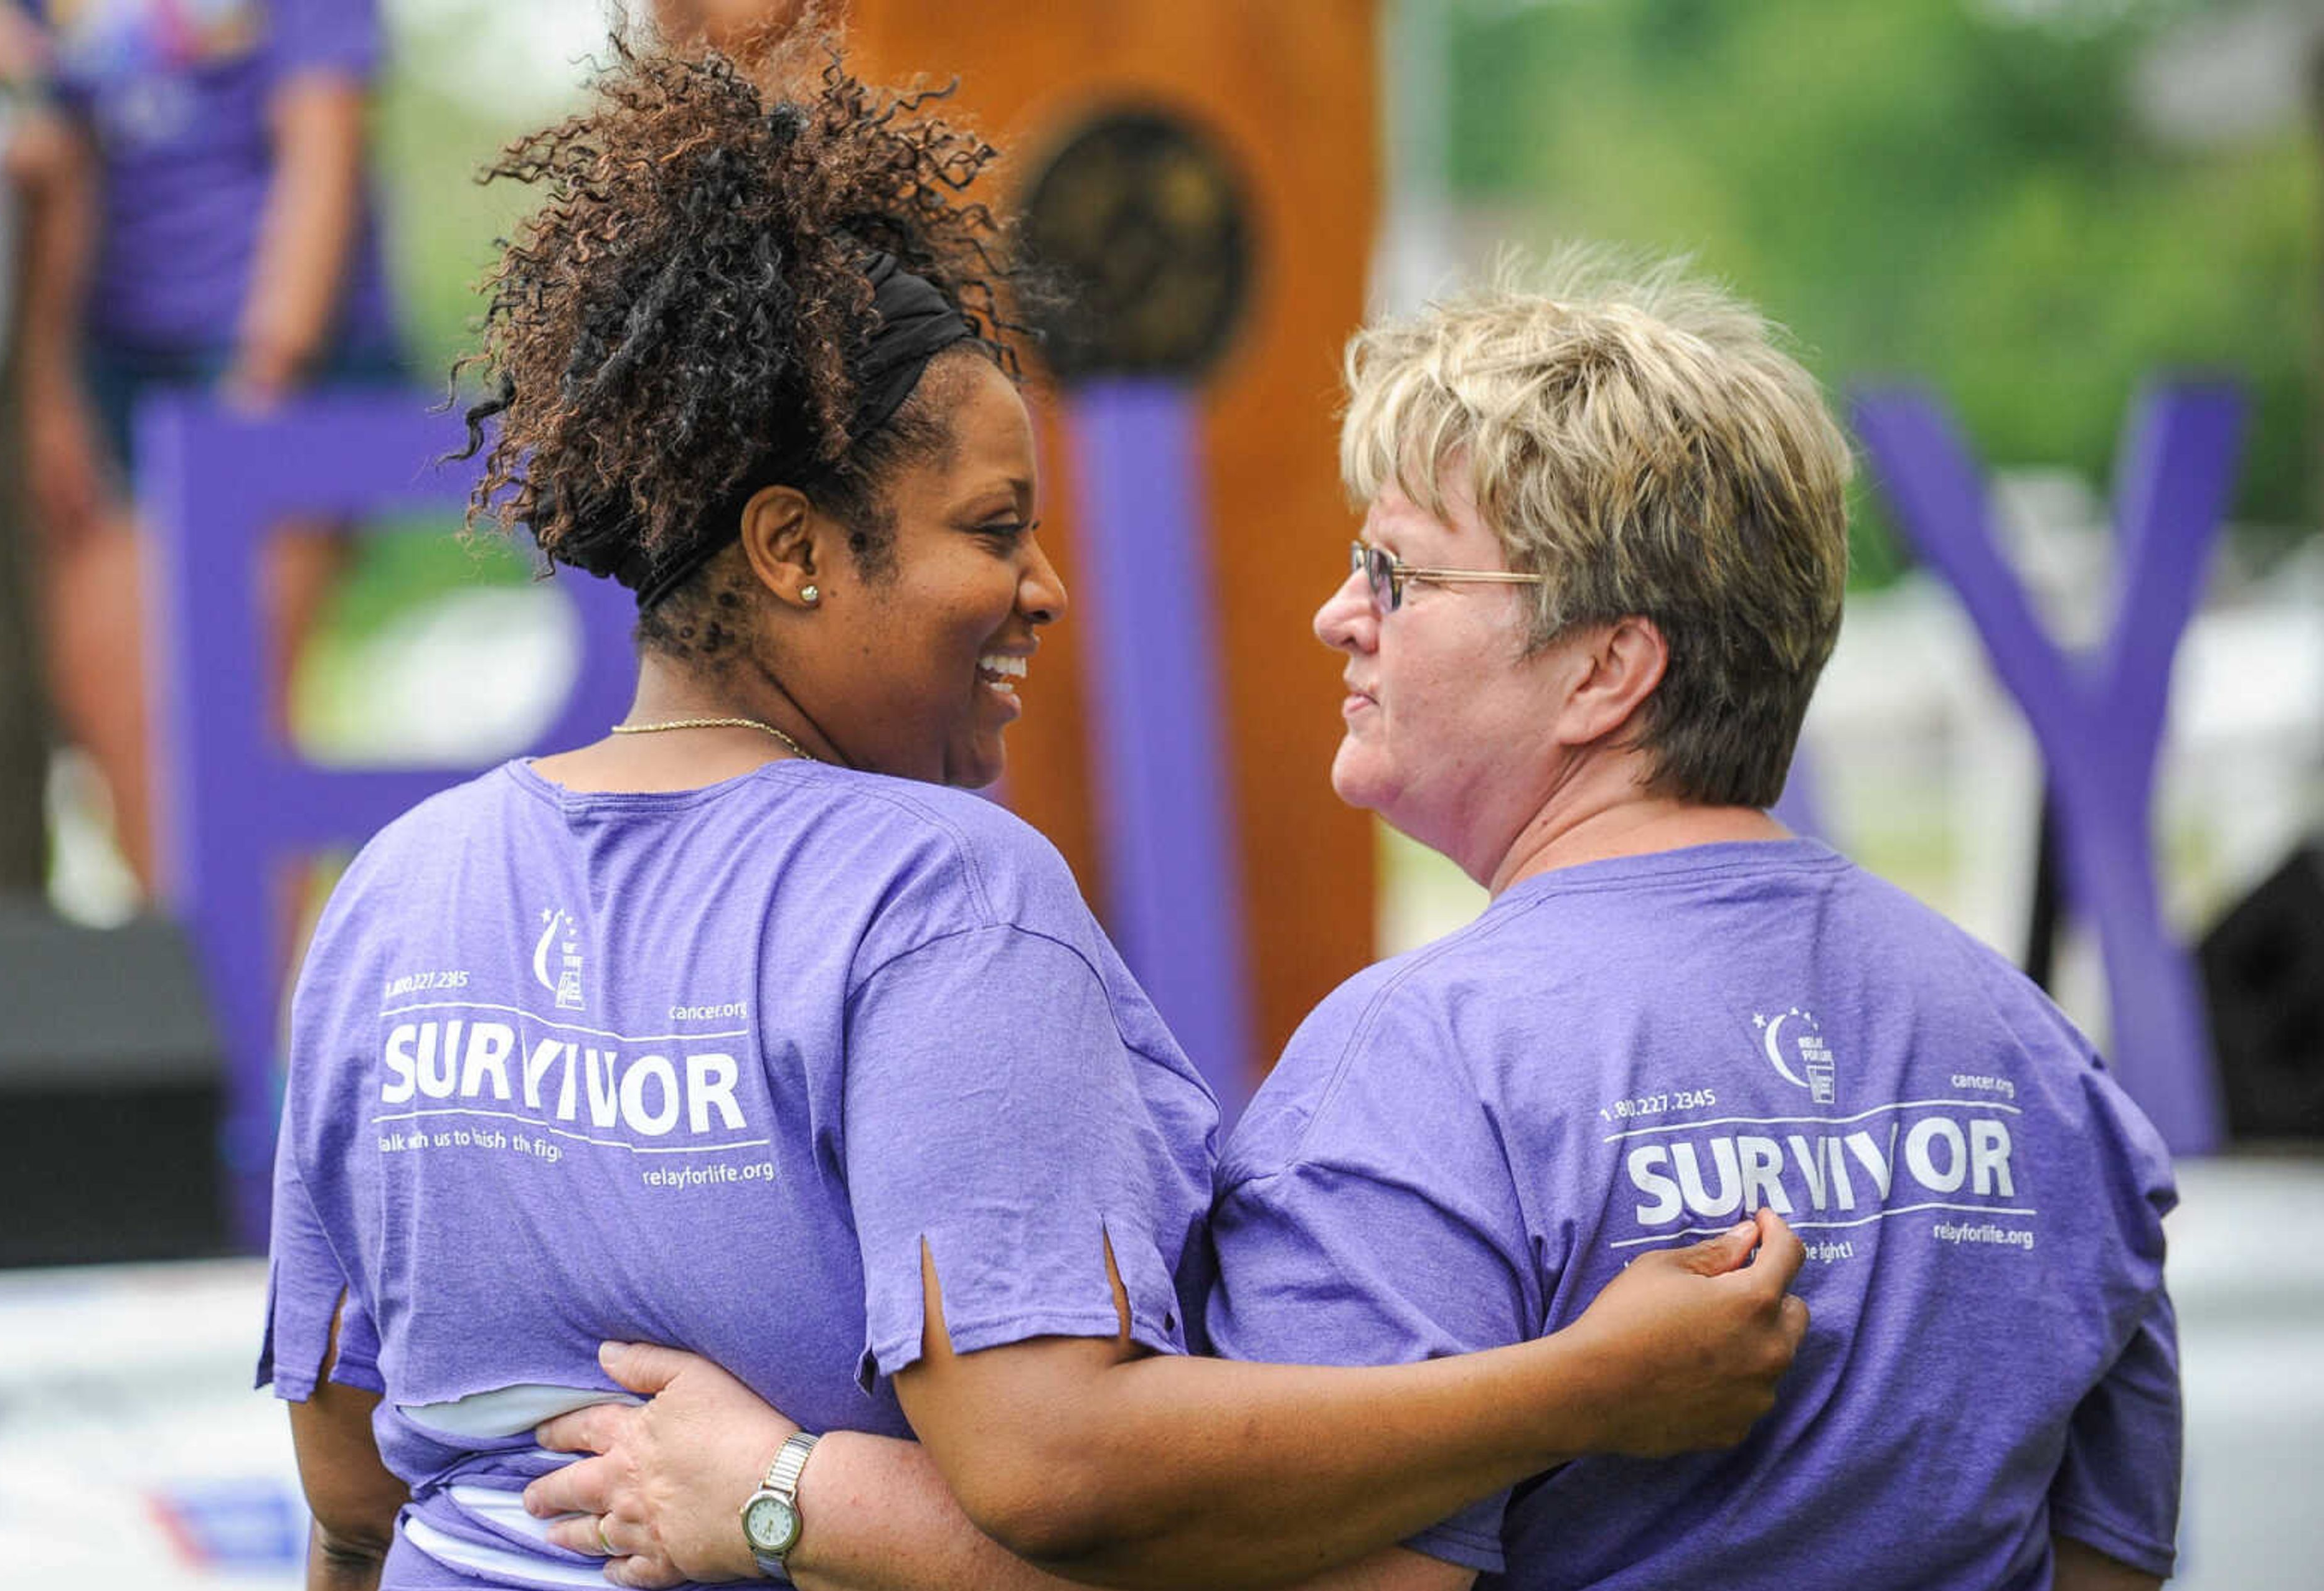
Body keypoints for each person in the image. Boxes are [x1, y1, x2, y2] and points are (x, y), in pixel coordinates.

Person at [258, 32, 1809, 1591]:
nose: (1045, 590)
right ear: (795, 546)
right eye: (995, 529)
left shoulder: (400, 891)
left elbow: (349, 1484)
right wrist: (1593, 1388)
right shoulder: (935, 896)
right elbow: (1062, 1467)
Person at [526, 258, 2181, 1591]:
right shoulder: (2034, 1051)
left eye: (1397, 575)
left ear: (1610, 666)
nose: (1337, 613)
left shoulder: (1426, 1067)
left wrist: (787, 1493)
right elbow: (2105, 1553)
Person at [14, 0, 398, 888]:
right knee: (118, 713)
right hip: (106, 368)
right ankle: (198, 1004)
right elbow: (45, 163)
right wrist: (46, 397)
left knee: (229, 720)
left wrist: (268, 377)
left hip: (285, 363)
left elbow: (324, 146)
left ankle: (262, 1014)